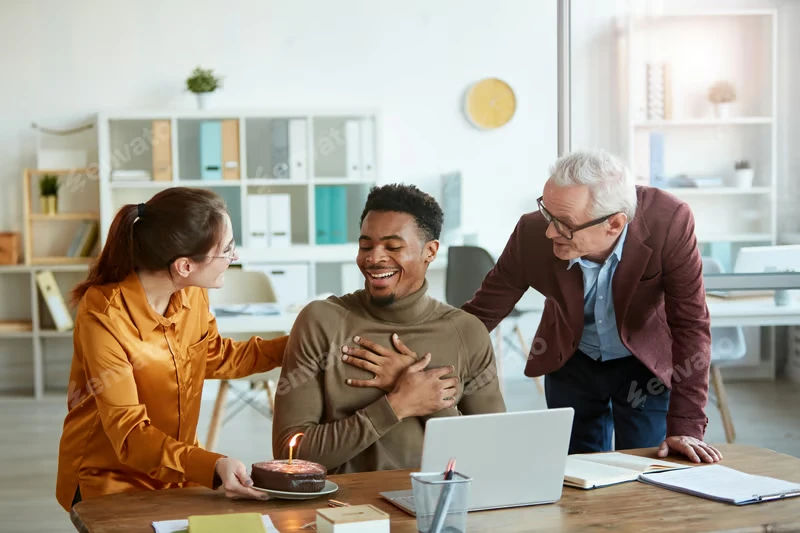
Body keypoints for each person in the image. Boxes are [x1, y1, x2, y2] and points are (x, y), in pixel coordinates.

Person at [461, 150, 722, 464]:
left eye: (565, 224)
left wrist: (687, 425)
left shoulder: (669, 221)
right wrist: (429, 358)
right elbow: (483, 311)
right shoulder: (532, 233)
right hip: (572, 360)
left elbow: (690, 324)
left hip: (644, 363)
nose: (549, 232)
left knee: (648, 466)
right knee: (578, 471)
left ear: (613, 224)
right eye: (547, 214)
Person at [56, 188, 286, 512]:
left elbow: (215, 356)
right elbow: (131, 435)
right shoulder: (104, 317)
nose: (234, 257)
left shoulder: (191, 293)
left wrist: (296, 345)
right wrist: (212, 465)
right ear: (184, 266)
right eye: (227, 249)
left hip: (179, 469)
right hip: (110, 477)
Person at [272, 184, 506, 473]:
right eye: (365, 246)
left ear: (430, 251)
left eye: (393, 247)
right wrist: (396, 404)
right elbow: (290, 455)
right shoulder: (321, 321)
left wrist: (429, 398)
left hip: (436, 507)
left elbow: (492, 453)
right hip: (344, 511)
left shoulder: (466, 331)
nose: (373, 259)